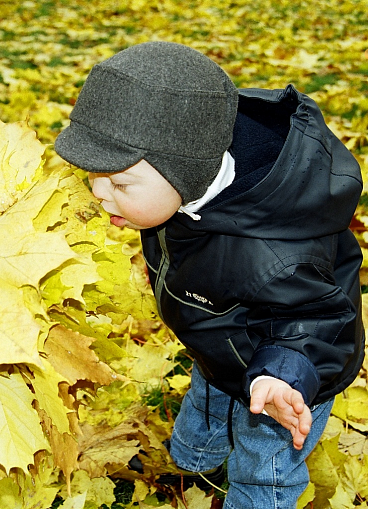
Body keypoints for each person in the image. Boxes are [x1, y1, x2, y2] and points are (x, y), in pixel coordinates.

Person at [54, 41, 365, 508]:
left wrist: (280, 377)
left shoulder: (274, 254)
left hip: (286, 381)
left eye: (119, 182)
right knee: (208, 401)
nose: (100, 194)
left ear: (186, 172)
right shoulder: (179, 189)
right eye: (93, 175)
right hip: (220, 339)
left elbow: (319, 319)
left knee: (265, 461)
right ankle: (191, 461)